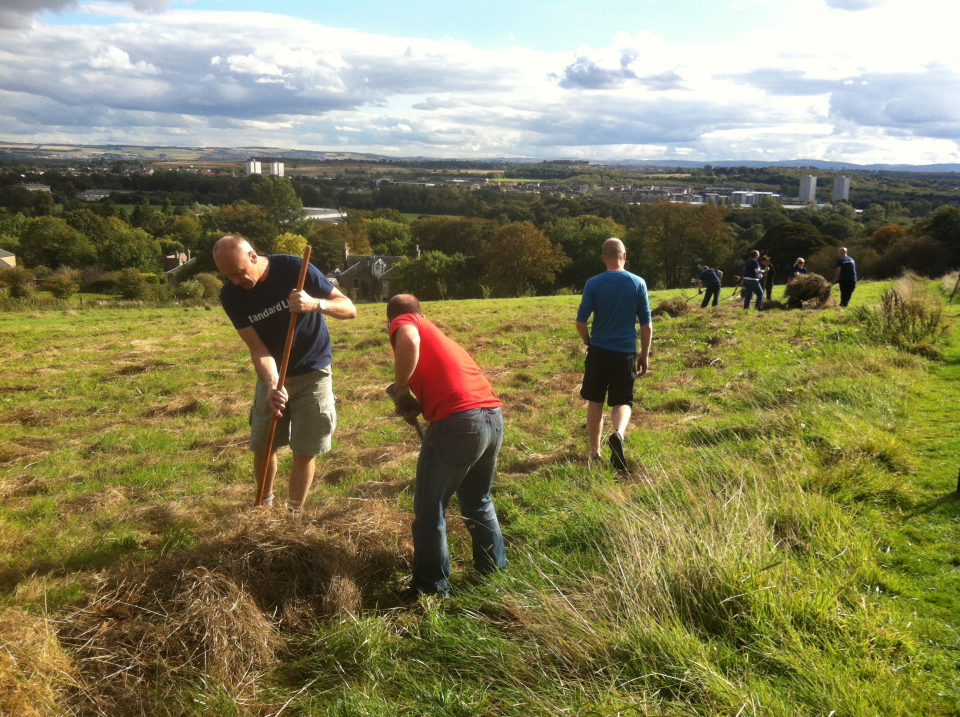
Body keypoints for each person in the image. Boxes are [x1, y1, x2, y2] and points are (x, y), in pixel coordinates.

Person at [214, 235, 357, 512]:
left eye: (239, 273)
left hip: (313, 371)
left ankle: (293, 516)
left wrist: (315, 304)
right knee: (263, 446)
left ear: (253, 257)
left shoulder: (294, 269)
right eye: (227, 276)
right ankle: (263, 507)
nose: (235, 281)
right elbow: (258, 349)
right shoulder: (231, 295)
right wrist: (272, 385)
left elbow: (349, 308)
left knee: (305, 449)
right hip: (273, 375)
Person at [387, 294, 506, 598]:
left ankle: (431, 587)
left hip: (460, 423)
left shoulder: (408, 322)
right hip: (492, 417)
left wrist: (401, 388)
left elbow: (409, 340)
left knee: (430, 507)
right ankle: (494, 572)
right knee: (478, 499)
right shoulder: (441, 336)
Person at [575, 238, 652, 472]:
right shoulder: (638, 283)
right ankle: (618, 433)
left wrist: (589, 341)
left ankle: (594, 453)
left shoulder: (593, 283)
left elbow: (580, 322)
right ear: (624, 256)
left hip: (598, 351)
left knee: (595, 401)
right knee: (622, 400)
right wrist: (644, 356)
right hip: (626, 353)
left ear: (603, 257)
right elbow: (647, 326)